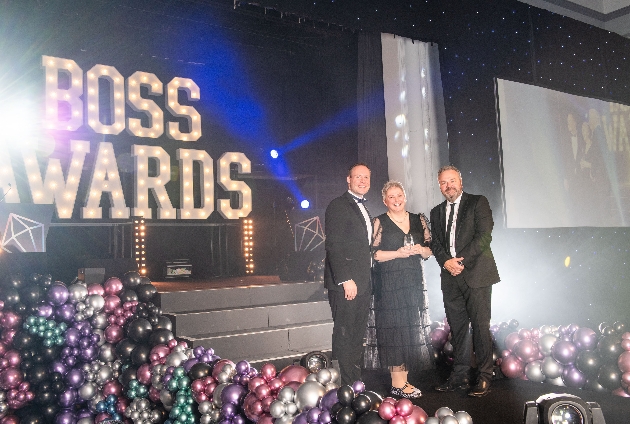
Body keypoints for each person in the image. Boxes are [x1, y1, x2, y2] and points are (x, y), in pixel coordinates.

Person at [430, 165, 500, 397]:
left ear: (460, 181)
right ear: (439, 186)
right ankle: (459, 376)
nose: (448, 186)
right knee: (458, 330)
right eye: (443, 183)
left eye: (451, 181)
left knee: (480, 327)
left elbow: (484, 237)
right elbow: (436, 244)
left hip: (476, 274)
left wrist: (460, 262)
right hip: (450, 278)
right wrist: (446, 262)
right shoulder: (436, 212)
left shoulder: (478, 202)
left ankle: (484, 377)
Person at [371, 181, 433, 399]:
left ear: (404, 196)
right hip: (389, 283)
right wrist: (397, 253)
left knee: (409, 329)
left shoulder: (419, 219)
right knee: (394, 331)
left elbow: (430, 250)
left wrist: (421, 250)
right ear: (384, 201)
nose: (396, 200)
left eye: (399, 195)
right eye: (391, 197)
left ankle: (403, 381)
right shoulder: (379, 221)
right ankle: (398, 384)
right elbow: (375, 255)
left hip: (413, 281)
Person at [324, 163, 373, 385]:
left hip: (363, 282)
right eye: (358, 177)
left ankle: (354, 381)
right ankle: (344, 384)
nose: (362, 181)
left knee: (356, 334)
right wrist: (346, 279)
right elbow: (334, 246)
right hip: (347, 284)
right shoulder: (338, 205)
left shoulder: (364, 207)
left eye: (366, 177)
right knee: (344, 334)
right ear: (348, 179)